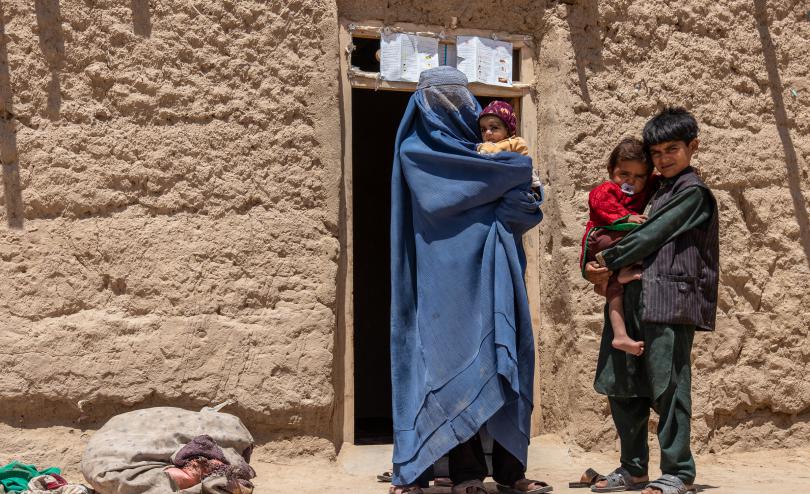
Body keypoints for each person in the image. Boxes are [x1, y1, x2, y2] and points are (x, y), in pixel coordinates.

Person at [389, 66, 550, 494]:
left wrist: (512, 182)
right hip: (443, 282)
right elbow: (506, 179)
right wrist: (510, 178)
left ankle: (512, 472)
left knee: (507, 358)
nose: (451, 108)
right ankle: (466, 472)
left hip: (495, 271)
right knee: (451, 365)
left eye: (460, 99)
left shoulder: (481, 151)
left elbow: (523, 198)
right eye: (440, 100)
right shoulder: (416, 153)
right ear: (422, 104)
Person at [583, 107, 718, 494]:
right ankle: (634, 468)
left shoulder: (693, 194)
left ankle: (678, 471)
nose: (663, 159)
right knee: (624, 385)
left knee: (669, 387)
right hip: (633, 301)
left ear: (692, 147)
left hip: (670, 302)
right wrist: (593, 265)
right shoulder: (652, 190)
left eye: (672, 149)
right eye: (656, 152)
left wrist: (605, 262)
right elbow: (604, 224)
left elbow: (652, 234)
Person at [580, 137, 657, 356]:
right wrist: (628, 217)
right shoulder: (606, 190)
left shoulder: (644, 188)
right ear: (611, 170)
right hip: (604, 238)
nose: (631, 181)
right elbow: (602, 205)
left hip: (615, 248)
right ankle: (623, 271)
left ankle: (620, 335)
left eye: (639, 176)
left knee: (614, 291)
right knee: (643, 235)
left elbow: (659, 181)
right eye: (624, 174)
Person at [476, 100, 543, 199]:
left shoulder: (515, 142)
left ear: (507, 130)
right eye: (483, 129)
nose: (487, 133)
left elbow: (523, 161)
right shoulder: (482, 146)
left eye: (494, 127)